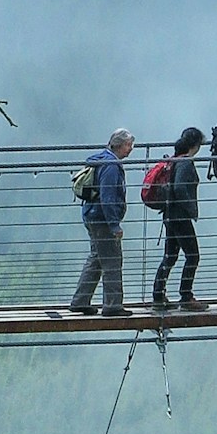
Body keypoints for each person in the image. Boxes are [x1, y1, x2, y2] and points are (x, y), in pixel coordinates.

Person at [70, 127, 133, 313]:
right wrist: (114, 225)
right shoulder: (111, 166)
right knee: (112, 260)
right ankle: (113, 305)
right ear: (120, 146)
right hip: (102, 219)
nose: (131, 149)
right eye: (129, 145)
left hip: (92, 214)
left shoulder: (101, 160)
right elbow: (107, 196)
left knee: (97, 258)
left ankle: (80, 301)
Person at [150, 126, 204, 310]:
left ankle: (158, 295)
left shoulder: (174, 160)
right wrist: (190, 208)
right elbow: (180, 187)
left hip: (169, 213)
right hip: (180, 216)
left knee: (170, 255)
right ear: (195, 145)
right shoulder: (185, 162)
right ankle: (186, 296)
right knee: (193, 255)